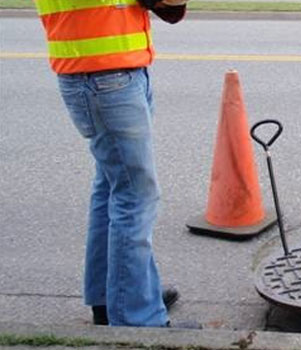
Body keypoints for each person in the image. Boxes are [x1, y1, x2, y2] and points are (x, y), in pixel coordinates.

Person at [33, 0, 189, 327]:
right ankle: (138, 320)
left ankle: (113, 297)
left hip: (108, 71)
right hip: (106, 78)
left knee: (111, 188)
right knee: (135, 197)